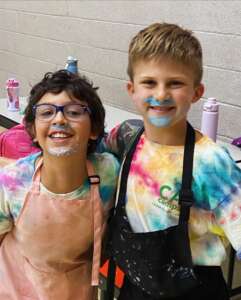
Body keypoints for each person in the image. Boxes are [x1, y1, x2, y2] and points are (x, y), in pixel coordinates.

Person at [103, 23, 241, 300]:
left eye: (175, 83)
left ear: (196, 92)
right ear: (132, 89)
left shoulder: (211, 161)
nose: (161, 94)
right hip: (136, 285)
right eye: (149, 82)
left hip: (194, 289)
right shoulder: (125, 137)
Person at [0, 70, 119, 299]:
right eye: (46, 112)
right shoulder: (12, 182)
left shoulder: (109, 174)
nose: (59, 119)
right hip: (14, 289)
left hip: (77, 291)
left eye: (74, 112)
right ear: (33, 130)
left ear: (94, 129)